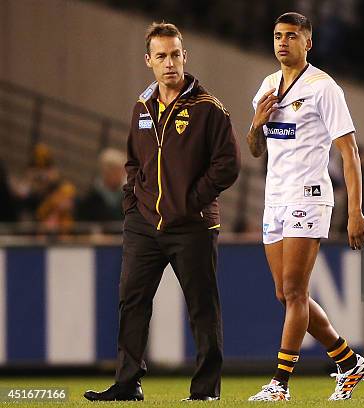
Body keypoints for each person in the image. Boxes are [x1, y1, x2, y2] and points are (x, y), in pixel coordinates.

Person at [84, 22, 240, 402]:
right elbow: (134, 161)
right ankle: (127, 383)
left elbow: (228, 165)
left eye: (175, 55)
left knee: (202, 307)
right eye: (161, 56)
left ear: (185, 57)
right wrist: (132, 204)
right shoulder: (142, 107)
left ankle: (205, 390)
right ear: (148, 61)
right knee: (131, 300)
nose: (169, 63)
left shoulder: (208, 109)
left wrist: (189, 202)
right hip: (144, 224)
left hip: (193, 226)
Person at [246, 12, 364, 402]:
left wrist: (355, 211)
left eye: (291, 36)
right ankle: (348, 362)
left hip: (309, 196)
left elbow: (348, 152)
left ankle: (280, 384)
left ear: (308, 43)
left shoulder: (323, 87)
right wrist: (256, 123)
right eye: (278, 36)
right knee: (285, 296)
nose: (283, 42)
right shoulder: (267, 86)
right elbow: (254, 150)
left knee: (295, 292)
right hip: (275, 199)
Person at [76, 148, 126, 225]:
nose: (122, 175)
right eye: (118, 171)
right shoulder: (90, 199)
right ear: (107, 172)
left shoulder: (126, 198)